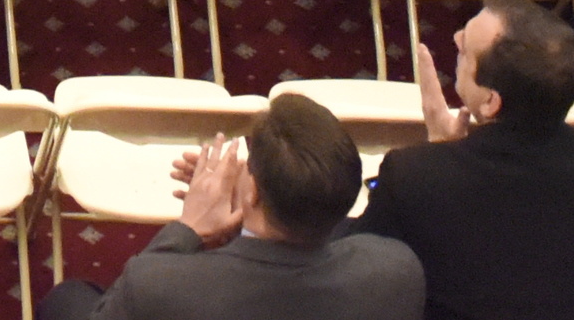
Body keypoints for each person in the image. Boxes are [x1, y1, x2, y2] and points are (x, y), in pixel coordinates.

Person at [365, 0, 574, 320]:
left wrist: (438, 155)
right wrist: (444, 157)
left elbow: (358, 267)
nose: (455, 38)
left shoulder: (412, 176)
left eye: (465, 49)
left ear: (490, 102)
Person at [32, 86, 416, 319]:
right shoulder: (396, 269)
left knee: (69, 299)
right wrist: (248, 227)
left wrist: (188, 231)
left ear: (252, 192)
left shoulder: (159, 283)